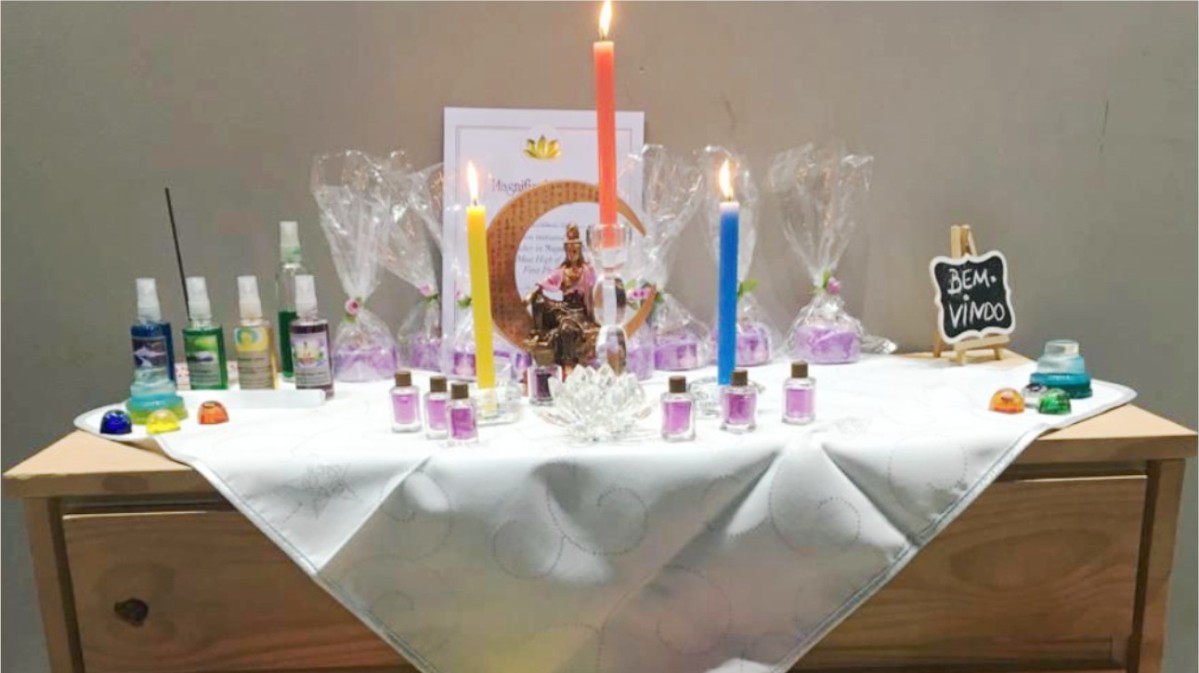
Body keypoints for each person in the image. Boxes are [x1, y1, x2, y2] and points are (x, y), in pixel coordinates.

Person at [525, 224, 599, 369]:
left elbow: (596, 291)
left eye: (575, 250)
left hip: (578, 312)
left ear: (580, 250)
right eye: (569, 251)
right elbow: (542, 283)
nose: (572, 253)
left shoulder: (587, 270)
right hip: (563, 308)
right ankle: (538, 333)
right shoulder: (562, 271)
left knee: (566, 328)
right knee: (539, 300)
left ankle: (568, 363)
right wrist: (531, 294)